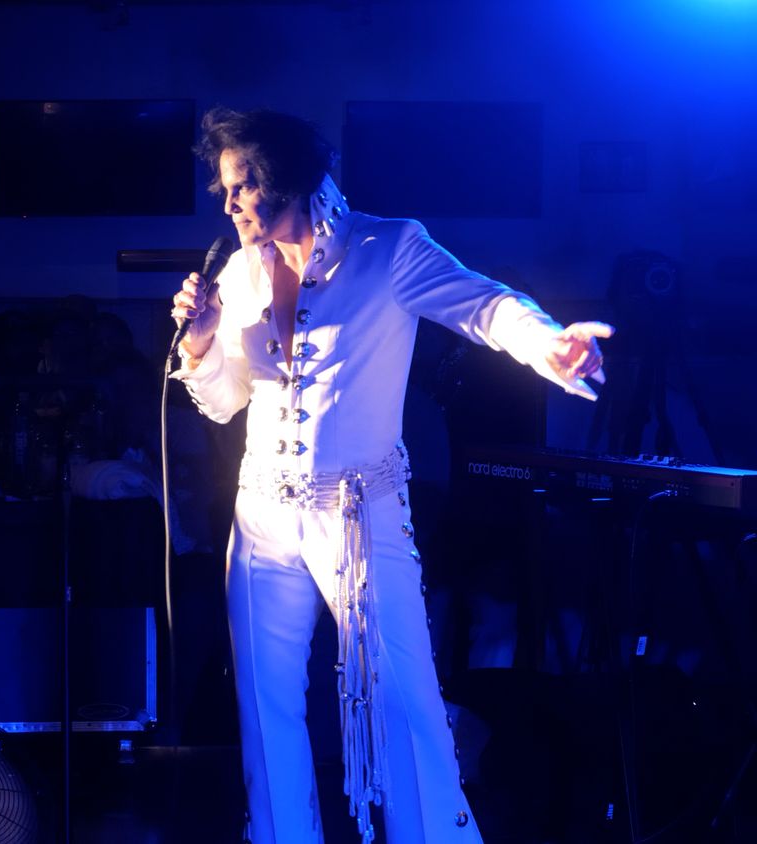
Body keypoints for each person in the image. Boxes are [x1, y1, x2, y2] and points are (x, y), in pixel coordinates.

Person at [169, 107, 611, 844]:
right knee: (265, 705)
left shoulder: (388, 247)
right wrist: (203, 344)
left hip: (359, 512)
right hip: (260, 518)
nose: (229, 204)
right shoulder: (239, 273)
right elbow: (222, 403)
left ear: (286, 178)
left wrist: (550, 344)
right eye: (225, 189)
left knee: (403, 700)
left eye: (241, 186)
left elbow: (485, 305)